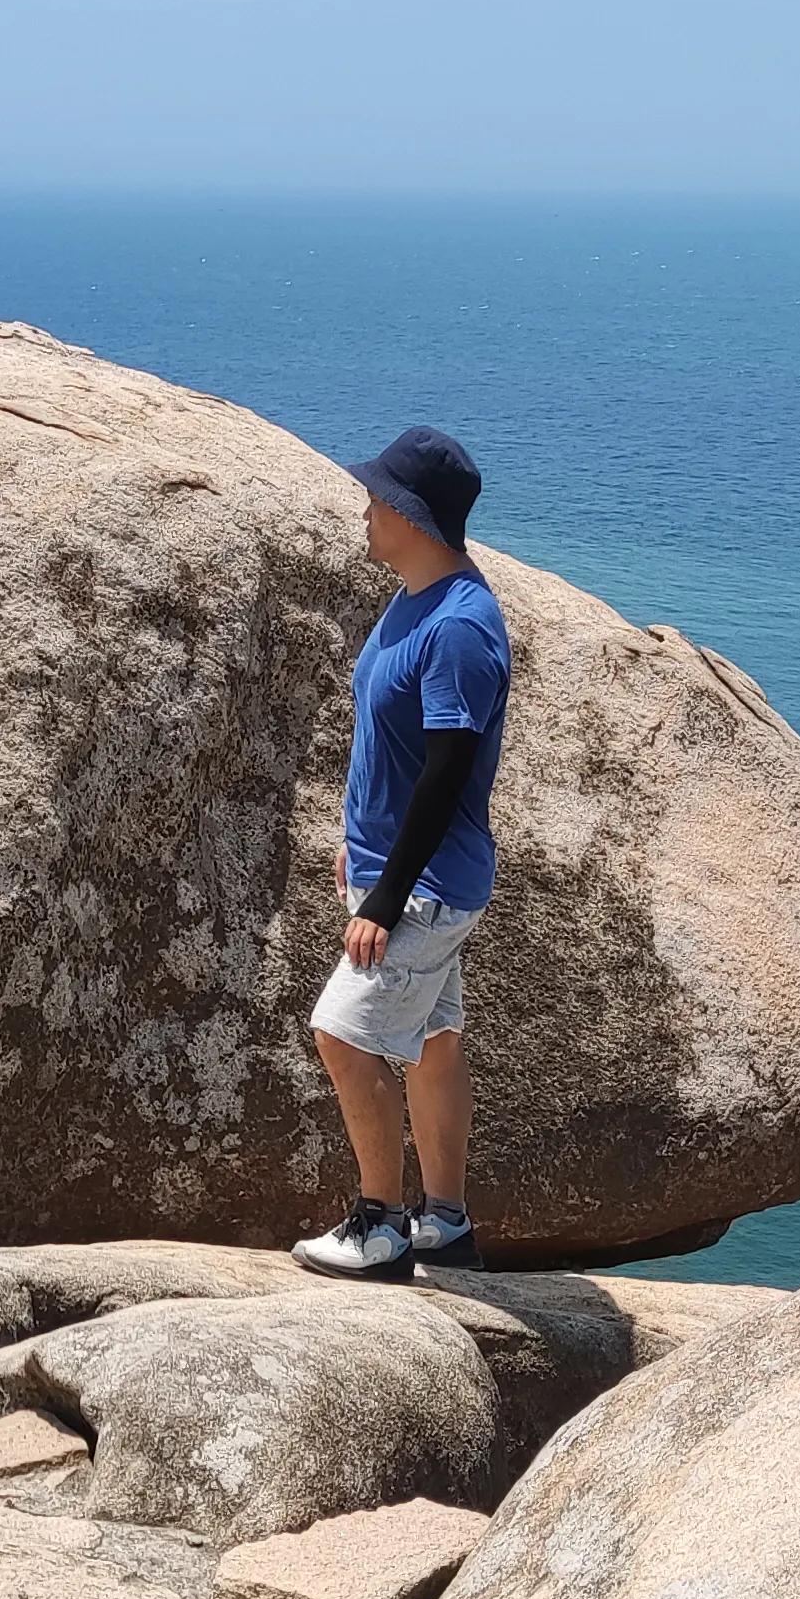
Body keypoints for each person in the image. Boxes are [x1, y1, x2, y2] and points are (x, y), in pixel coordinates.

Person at [294, 425, 510, 1279]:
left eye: (379, 500)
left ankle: (379, 1225)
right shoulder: (413, 598)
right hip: (398, 869)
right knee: (433, 1041)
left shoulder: (460, 628)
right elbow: (390, 749)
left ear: (413, 517)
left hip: (424, 888)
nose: (367, 510)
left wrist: (387, 895)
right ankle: (447, 1225)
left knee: (341, 1035)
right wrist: (360, 847)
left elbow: (449, 774)